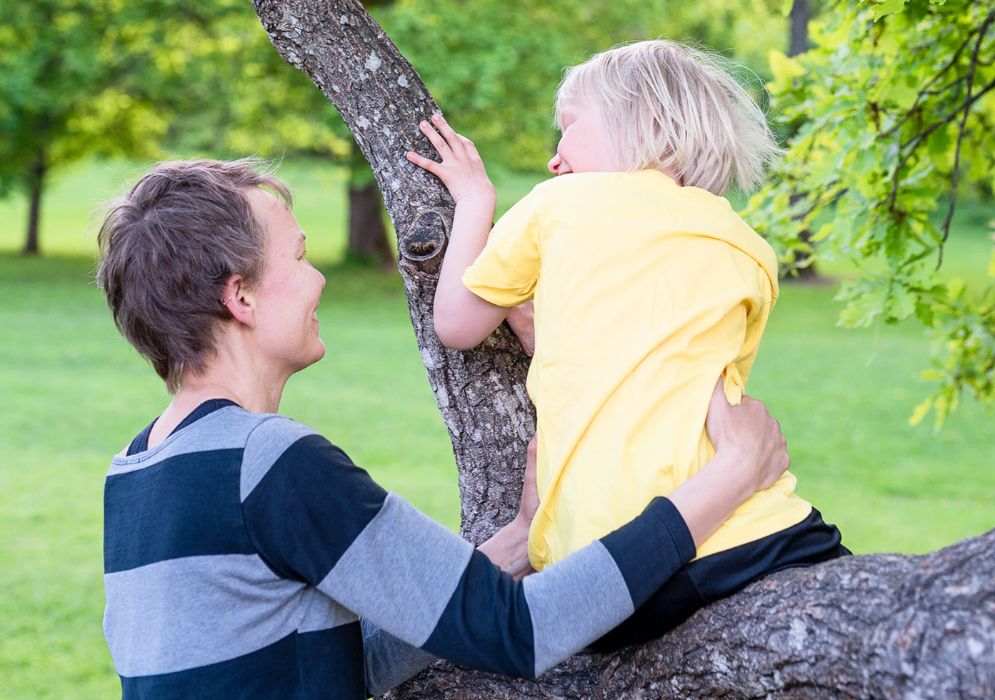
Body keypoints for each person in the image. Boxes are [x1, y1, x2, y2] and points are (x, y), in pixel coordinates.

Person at [98, 158, 793, 698]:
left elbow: (342, 664)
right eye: (301, 257)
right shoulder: (269, 464)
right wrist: (728, 477)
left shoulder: (136, 469)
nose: (319, 281)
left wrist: (519, 541)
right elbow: (524, 633)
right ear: (240, 297)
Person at [406, 39, 848, 650]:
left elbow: (456, 324)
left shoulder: (559, 205)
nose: (555, 158)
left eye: (569, 130)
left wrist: (476, 202)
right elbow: (684, 379)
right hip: (754, 532)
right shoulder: (745, 245)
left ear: (644, 124)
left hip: (605, 564)